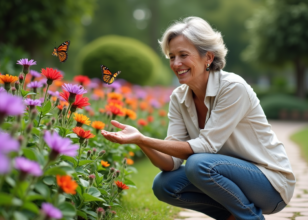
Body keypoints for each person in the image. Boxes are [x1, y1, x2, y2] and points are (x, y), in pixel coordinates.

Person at [101, 17, 295, 220]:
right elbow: (170, 164)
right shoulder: (179, 97)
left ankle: (250, 218)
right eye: (172, 56)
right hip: (229, 176)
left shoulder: (232, 87)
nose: (176, 63)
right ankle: (233, 217)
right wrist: (140, 140)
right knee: (164, 185)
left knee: (198, 164)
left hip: (271, 184)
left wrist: (145, 139)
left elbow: (207, 146)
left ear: (208, 58)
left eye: (183, 55)